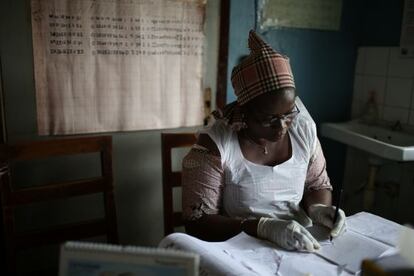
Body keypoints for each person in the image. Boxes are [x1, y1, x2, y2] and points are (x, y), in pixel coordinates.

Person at [181, 30, 346, 252]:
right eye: (268, 119)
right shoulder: (216, 145)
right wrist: (262, 227)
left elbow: (317, 185)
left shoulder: (303, 129)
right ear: (244, 111)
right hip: (241, 248)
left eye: (288, 114)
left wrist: (318, 208)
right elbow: (197, 222)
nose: (282, 127)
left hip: (299, 243)